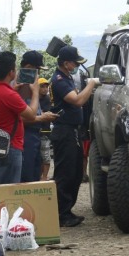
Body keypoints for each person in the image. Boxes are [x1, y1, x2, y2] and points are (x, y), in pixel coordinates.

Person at [50, 45, 100, 227]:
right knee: (65, 173)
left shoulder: (67, 78)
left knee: (76, 172)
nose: (77, 66)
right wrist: (91, 85)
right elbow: (77, 100)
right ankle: (61, 214)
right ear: (66, 63)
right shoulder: (59, 80)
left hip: (72, 131)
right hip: (64, 131)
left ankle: (67, 209)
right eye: (75, 63)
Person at [0, 51, 42, 185]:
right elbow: (32, 114)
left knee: (2, 183)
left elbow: (2, 106)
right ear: (11, 72)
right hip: (12, 146)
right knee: (11, 189)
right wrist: (35, 92)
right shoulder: (9, 95)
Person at [19, 51, 59, 182]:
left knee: (35, 172)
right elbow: (21, 117)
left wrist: (42, 115)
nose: (39, 73)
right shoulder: (21, 86)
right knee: (27, 175)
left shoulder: (30, 85)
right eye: (37, 70)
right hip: (25, 135)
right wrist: (41, 118)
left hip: (34, 134)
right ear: (29, 67)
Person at [38, 78, 53, 181]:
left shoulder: (47, 99)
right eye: (42, 86)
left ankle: (44, 177)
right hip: (34, 132)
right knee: (37, 157)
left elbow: (45, 114)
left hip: (45, 132)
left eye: (46, 86)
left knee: (46, 156)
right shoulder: (32, 98)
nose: (45, 89)